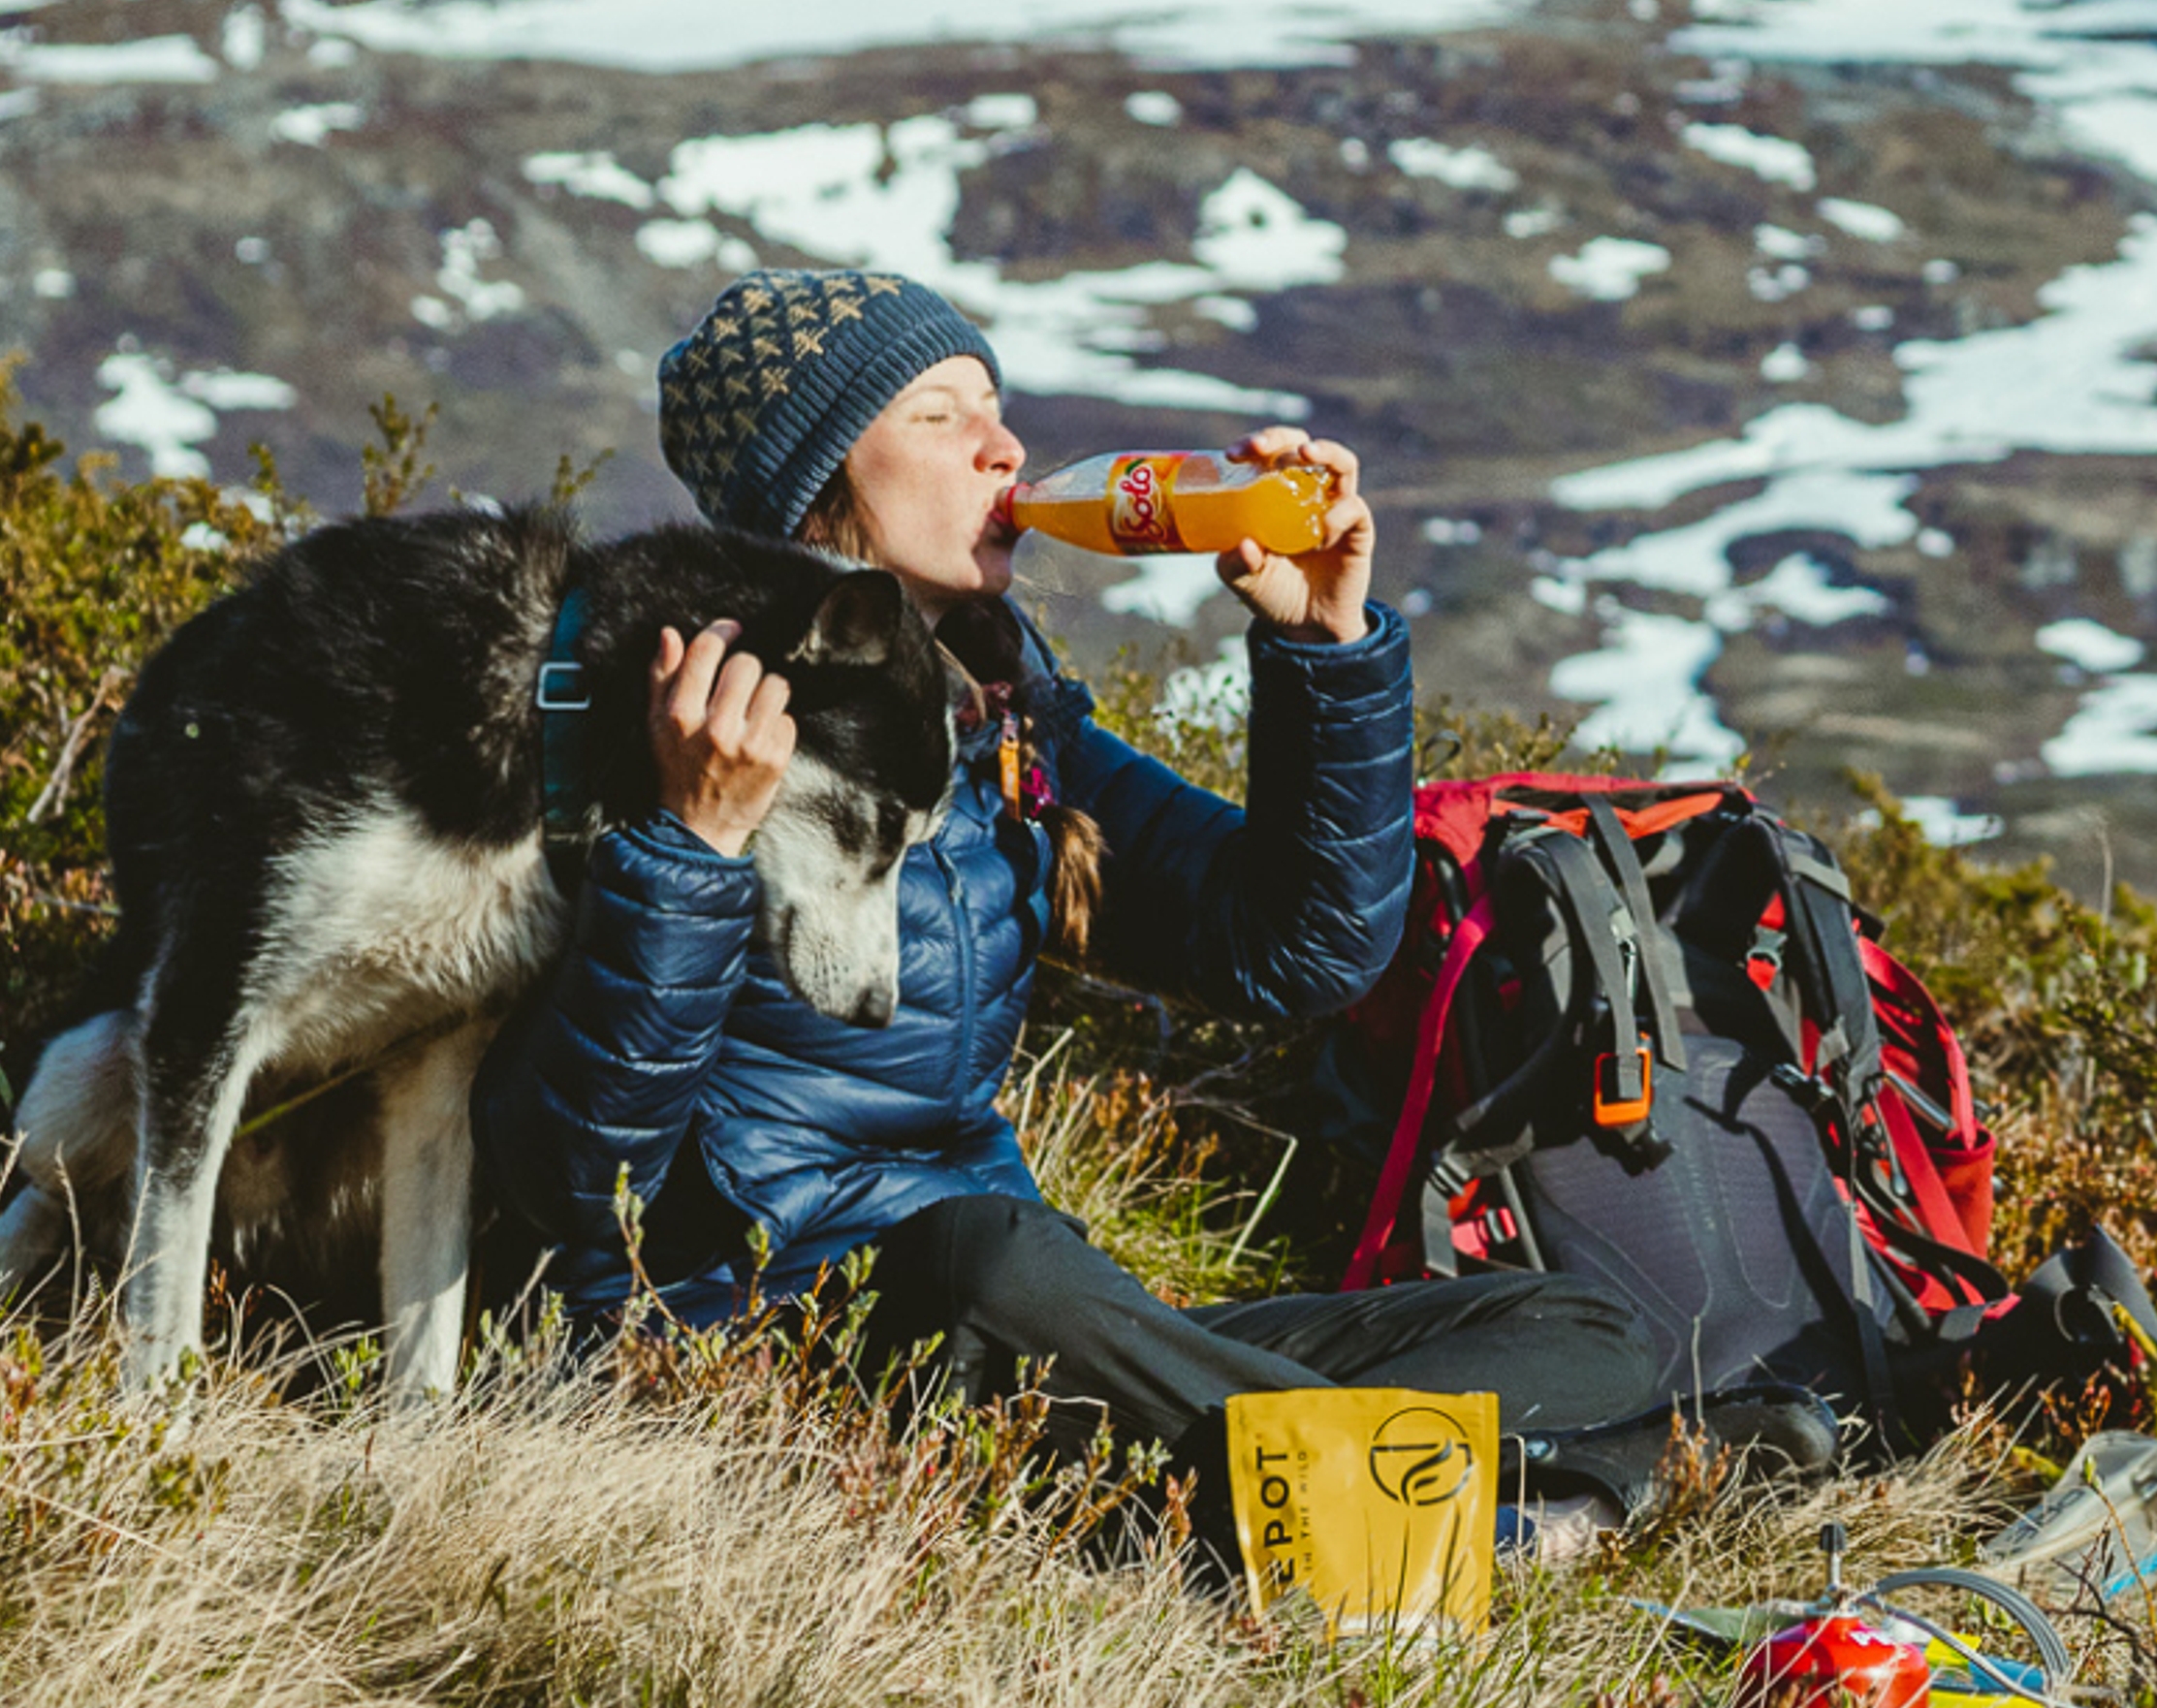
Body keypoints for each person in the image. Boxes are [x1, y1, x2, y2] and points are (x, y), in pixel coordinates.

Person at [473, 267, 1668, 1529]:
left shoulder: (1007, 728)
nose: (1006, 449)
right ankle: (1474, 1512)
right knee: (994, 1264)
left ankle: (1306, 1496)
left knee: (1570, 1321)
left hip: (1030, 1337)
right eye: (940, 416)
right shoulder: (680, 719)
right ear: (815, 485)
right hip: (776, 1348)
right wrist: (692, 849)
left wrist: (1324, 646)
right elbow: (573, 1175)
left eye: (994, 405)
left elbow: (1300, 951)